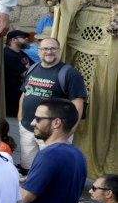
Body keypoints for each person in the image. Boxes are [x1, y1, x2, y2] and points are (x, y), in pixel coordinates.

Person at [45, 0, 118, 175]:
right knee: (77, 92)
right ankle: (69, 154)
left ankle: (103, 161)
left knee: (106, 96)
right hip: (82, 30)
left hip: (110, 33)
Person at [16, 35, 87, 166]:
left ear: (59, 51)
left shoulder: (70, 73)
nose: (49, 52)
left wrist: (68, 132)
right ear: (39, 51)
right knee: (27, 167)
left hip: (54, 133)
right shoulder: (32, 68)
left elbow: (78, 105)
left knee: (51, 168)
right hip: (27, 128)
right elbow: (24, 93)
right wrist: (20, 117)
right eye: (45, 49)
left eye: (53, 48)